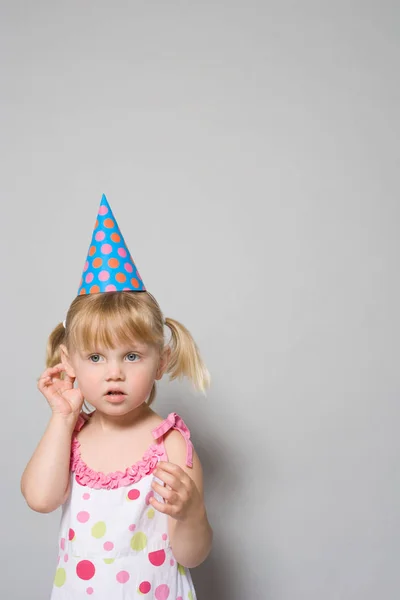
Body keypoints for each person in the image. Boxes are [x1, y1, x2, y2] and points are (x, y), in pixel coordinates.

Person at [21, 194, 213, 599]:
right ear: (68, 362)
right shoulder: (71, 434)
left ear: (160, 362)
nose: (114, 372)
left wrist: (191, 510)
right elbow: (40, 498)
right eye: (95, 357)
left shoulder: (169, 442)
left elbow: (191, 554)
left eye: (131, 356)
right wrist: (62, 416)